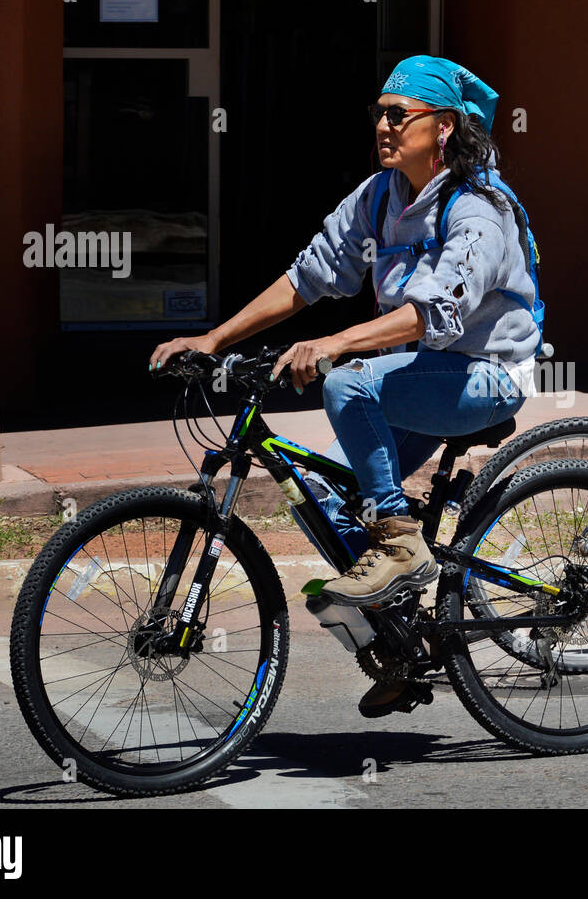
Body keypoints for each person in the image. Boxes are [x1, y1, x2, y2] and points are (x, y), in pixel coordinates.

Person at [152, 55, 539, 710]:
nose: (383, 125)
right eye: (378, 113)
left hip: (486, 375)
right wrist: (214, 339)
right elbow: (307, 277)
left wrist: (335, 344)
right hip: (423, 374)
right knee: (324, 495)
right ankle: (401, 640)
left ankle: (399, 543)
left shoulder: (478, 207)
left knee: (350, 383)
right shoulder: (379, 196)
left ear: (443, 126)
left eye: (399, 114)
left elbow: (434, 312)